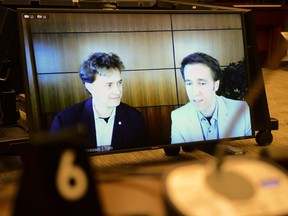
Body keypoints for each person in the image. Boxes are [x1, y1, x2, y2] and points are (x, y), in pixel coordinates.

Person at [50, 52, 146, 153]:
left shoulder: (134, 118)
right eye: (109, 85)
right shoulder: (65, 121)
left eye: (119, 83)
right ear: (90, 87)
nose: (118, 91)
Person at [171, 52, 252, 144]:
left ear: (216, 85)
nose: (195, 92)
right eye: (189, 83)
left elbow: (249, 147)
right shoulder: (178, 117)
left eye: (202, 83)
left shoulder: (241, 109)